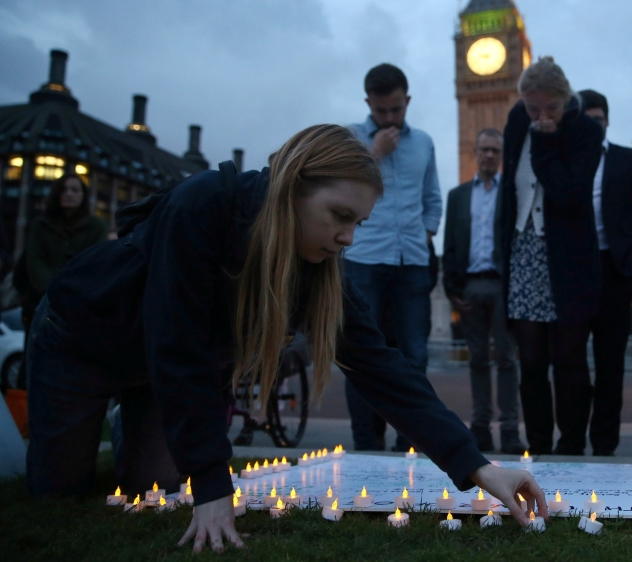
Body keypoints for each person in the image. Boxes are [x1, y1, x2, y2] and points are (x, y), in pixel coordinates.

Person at [26, 125, 548, 553]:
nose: (348, 238)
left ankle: (134, 421)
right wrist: (212, 485)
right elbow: (177, 344)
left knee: (153, 488)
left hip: (161, 368)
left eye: (359, 224)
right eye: (341, 217)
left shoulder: (317, 267)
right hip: (83, 342)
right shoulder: (203, 203)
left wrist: (477, 466)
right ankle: (121, 418)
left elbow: (383, 369)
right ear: (294, 186)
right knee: (59, 491)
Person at [496, 57, 603, 456]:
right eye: (532, 108)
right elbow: (509, 190)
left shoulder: (586, 130)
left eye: (550, 108)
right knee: (532, 362)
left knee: (570, 363)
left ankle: (572, 446)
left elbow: (568, 195)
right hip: (523, 253)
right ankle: (538, 447)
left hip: (568, 259)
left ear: (565, 99)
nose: (540, 115)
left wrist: (544, 141)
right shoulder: (514, 121)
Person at [345, 63, 442, 452]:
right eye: (381, 110)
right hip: (365, 259)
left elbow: (432, 200)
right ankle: (367, 445)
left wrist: (426, 233)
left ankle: (409, 444)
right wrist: (374, 153)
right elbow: (341, 185)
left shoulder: (425, 142)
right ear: (368, 102)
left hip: (413, 262)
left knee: (414, 355)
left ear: (407, 101)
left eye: (396, 109)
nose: (389, 118)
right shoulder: (351, 137)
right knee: (360, 355)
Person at [577, 89, 632, 456]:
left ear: (607, 120)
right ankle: (570, 443)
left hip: (616, 270)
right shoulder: (568, 162)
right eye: (586, 120)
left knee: (610, 364)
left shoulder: (629, 160)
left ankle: (604, 446)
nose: (593, 126)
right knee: (572, 364)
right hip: (576, 273)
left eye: (598, 119)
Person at [443, 128, 524, 454]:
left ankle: (509, 430)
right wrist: (452, 287)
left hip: (503, 285)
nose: (489, 155)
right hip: (470, 285)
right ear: (475, 152)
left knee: (506, 358)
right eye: (484, 149)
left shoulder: (513, 192)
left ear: (500, 155)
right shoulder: (458, 195)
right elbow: (450, 242)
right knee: (477, 359)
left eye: (495, 150)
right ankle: (479, 427)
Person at [22, 173, 107, 354]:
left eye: (75, 190)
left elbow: (92, 265)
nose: (69, 194)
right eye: (64, 189)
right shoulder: (40, 225)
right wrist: (51, 291)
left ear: (83, 195)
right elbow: (35, 262)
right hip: (38, 306)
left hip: (77, 311)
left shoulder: (97, 227)